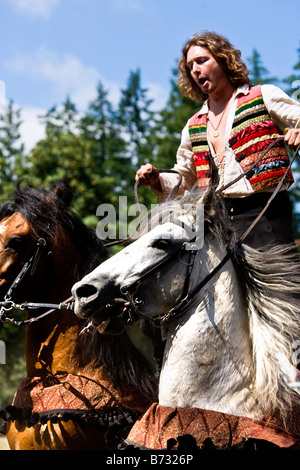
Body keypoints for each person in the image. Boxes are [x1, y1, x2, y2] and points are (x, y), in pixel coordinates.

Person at [136, 31, 300, 249]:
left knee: (279, 282)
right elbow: (183, 180)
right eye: (190, 66)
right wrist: (156, 179)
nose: (195, 70)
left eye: (202, 60)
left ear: (223, 60)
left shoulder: (263, 96)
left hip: (265, 212)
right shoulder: (193, 125)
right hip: (216, 221)